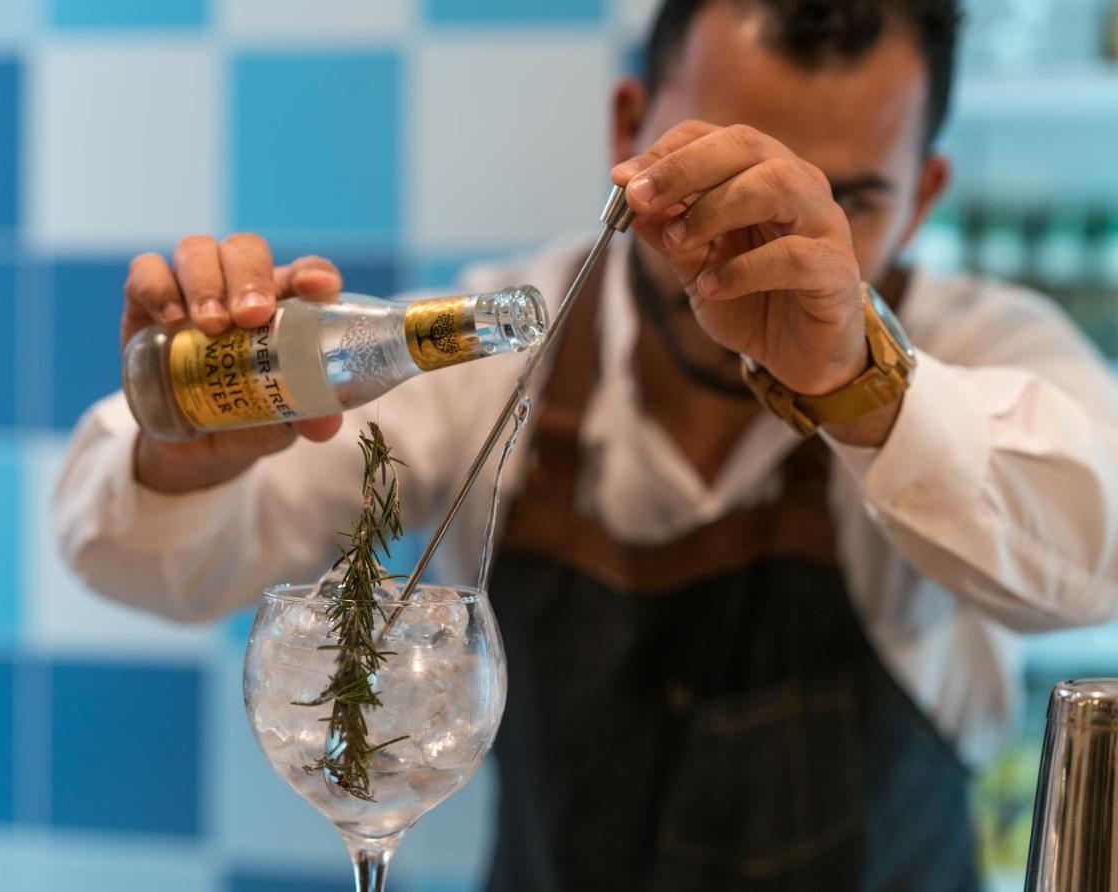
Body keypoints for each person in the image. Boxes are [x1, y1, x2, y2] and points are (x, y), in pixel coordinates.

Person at [55, 0, 1118, 887]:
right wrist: (187, 453)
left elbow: (1094, 555)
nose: (762, 253)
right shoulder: (484, 339)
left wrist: (858, 384)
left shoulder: (982, 346)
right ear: (630, 129)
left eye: (840, 203)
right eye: (718, 186)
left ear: (926, 194)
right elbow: (142, 558)